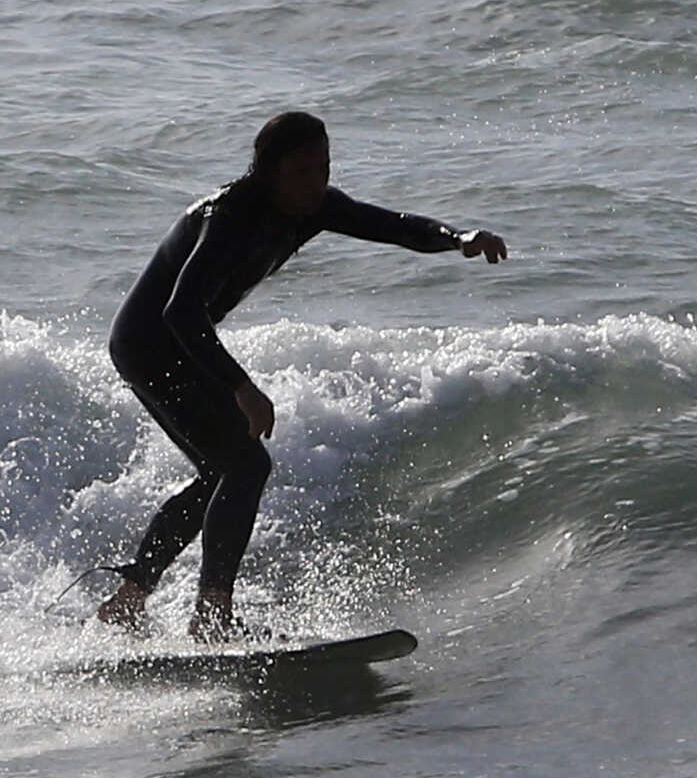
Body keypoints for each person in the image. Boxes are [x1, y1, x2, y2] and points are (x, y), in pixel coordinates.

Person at [97, 111, 509, 642]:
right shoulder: (229, 217)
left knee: (224, 475)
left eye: (324, 169)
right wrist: (242, 389)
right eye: (302, 172)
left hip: (183, 345)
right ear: (267, 170)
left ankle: (130, 599)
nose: (316, 184)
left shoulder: (311, 207)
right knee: (244, 466)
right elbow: (179, 312)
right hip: (149, 344)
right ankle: (212, 616)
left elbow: (393, 225)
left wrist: (457, 237)